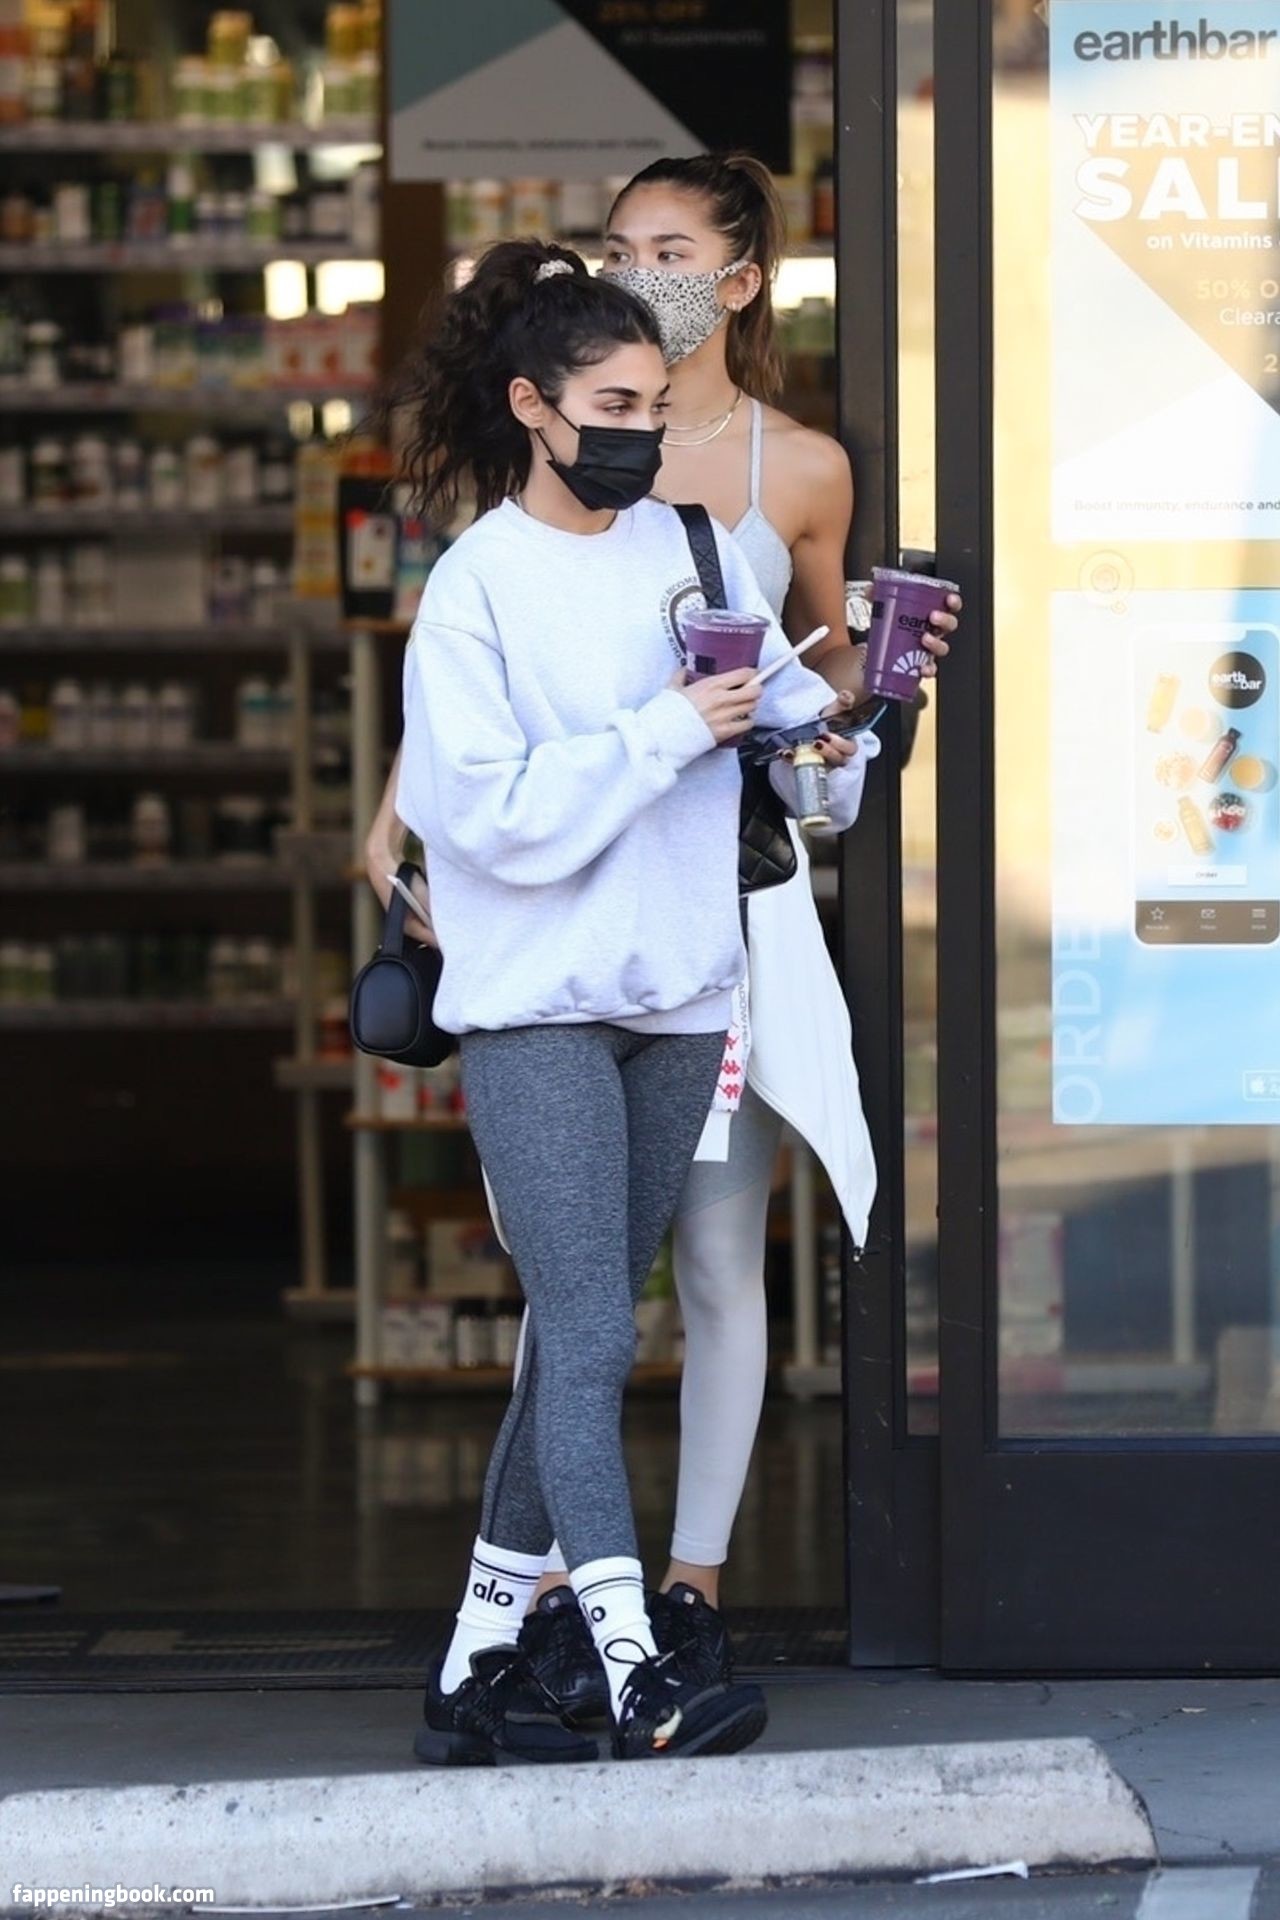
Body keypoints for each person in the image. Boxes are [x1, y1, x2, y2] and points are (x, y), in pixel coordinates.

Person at [365, 153, 960, 1719]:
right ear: (534, 409)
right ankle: (636, 1661)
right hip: (543, 1002)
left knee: (603, 1320)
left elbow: (804, 769)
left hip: (690, 990)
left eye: (651, 405)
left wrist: (865, 716)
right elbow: (492, 816)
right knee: (583, 1328)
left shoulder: (697, 551)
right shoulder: (478, 585)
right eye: (611, 408)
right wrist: (664, 734)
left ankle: (477, 1662)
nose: (641, 432)